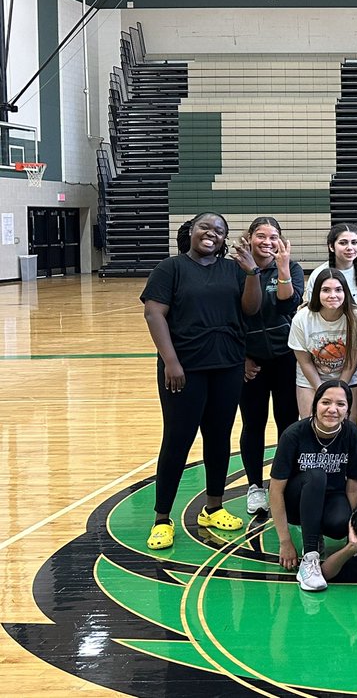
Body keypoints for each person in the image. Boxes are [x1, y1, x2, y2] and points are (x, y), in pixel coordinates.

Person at [140, 212, 262, 550]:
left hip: (226, 366)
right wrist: (171, 361)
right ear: (190, 232)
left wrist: (252, 270)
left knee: (219, 437)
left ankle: (213, 506)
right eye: (205, 227)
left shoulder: (233, 270)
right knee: (178, 440)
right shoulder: (171, 269)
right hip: (184, 369)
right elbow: (154, 314)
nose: (212, 234)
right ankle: (162, 518)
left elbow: (251, 309)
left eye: (220, 231)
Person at [268, 380, 357, 591]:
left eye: (341, 404)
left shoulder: (354, 436)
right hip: (296, 501)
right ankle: (310, 558)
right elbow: (276, 491)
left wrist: (351, 534)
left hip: (332, 498)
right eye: (326, 402)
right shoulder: (293, 435)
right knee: (316, 476)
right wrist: (285, 541)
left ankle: (314, 534)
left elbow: (353, 487)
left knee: (340, 522)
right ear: (315, 405)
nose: (332, 409)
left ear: (348, 410)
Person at [239, 215, 304, 516]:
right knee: (253, 423)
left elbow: (286, 305)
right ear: (249, 238)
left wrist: (281, 269)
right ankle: (254, 486)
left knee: (287, 422)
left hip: (284, 358)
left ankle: (282, 482)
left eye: (273, 236)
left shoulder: (291, 268)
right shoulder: (234, 269)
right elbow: (231, 315)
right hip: (250, 361)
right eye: (261, 236)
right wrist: (242, 357)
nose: (267, 242)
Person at [288, 268, 357, 422]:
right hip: (311, 380)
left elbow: (352, 362)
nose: (333, 295)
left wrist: (338, 391)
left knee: (345, 426)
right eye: (326, 290)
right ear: (317, 293)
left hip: (347, 379)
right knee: (312, 426)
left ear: (345, 292)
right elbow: (304, 362)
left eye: (338, 290)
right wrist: (322, 392)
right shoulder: (302, 318)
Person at [304, 223, 357, 317]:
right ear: (331, 247)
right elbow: (312, 311)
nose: (350, 248)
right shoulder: (318, 274)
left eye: (354, 242)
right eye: (343, 243)